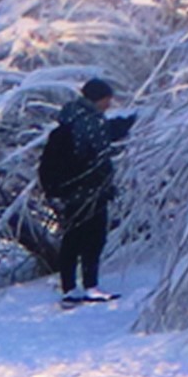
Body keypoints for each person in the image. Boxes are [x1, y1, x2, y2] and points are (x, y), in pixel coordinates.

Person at [36, 78, 128, 308]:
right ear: (98, 98)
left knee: (72, 239)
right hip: (89, 191)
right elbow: (101, 149)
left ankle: (69, 288)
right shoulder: (91, 122)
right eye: (107, 99)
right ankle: (90, 286)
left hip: (70, 192)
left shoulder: (70, 117)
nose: (109, 104)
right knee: (93, 239)